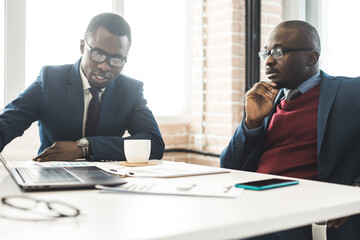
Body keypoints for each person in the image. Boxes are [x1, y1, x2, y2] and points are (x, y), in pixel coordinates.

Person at [220, 20, 360, 240]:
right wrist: (251, 122)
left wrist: (355, 193)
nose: (268, 61)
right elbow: (228, 166)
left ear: (311, 57)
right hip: (250, 202)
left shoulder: (351, 91)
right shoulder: (266, 102)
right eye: (265, 53)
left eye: (278, 52)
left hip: (301, 214)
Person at [0, 13, 164, 162]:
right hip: (53, 177)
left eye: (117, 60)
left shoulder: (130, 91)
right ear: (82, 47)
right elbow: (8, 122)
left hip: (108, 182)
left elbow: (154, 144)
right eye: (98, 54)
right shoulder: (51, 80)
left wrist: (85, 147)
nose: (105, 66)